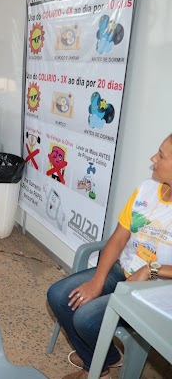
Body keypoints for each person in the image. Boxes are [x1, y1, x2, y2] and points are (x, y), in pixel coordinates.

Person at [47, 134, 172, 379]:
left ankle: (95, 366)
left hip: (155, 291)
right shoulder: (146, 189)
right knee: (59, 296)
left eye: (162, 155)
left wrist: (151, 269)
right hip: (123, 271)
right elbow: (119, 237)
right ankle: (102, 364)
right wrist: (98, 281)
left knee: (85, 319)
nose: (153, 158)